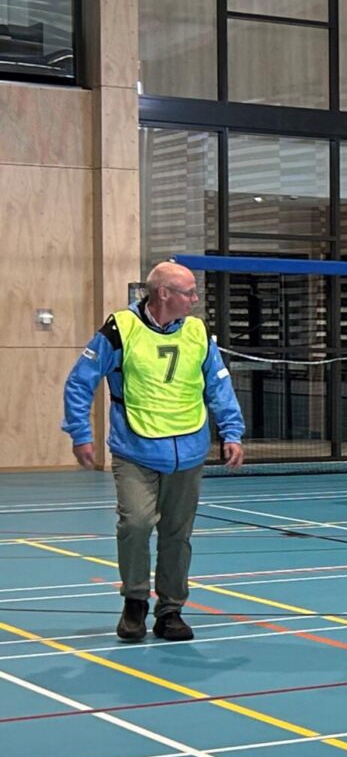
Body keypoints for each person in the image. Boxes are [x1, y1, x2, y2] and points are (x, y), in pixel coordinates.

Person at [62, 261, 246, 643]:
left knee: (177, 534)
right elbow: (80, 382)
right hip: (136, 450)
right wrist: (80, 432)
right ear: (163, 293)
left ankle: (171, 610)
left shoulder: (197, 332)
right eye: (189, 292)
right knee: (136, 524)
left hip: (189, 450)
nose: (195, 299)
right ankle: (134, 602)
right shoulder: (120, 330)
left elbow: (219, 384)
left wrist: (232, 431)